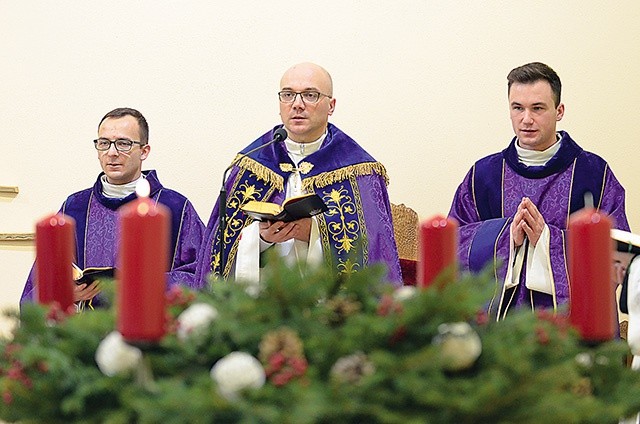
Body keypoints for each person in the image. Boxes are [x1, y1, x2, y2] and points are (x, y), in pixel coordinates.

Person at [448, 62, 629, 319]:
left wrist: (547, 240)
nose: (526, 119)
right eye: (517, 108)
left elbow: (619, 257)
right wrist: (504, 237)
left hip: (573, 330)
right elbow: (452, 247)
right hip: (498, 331)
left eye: (538, 108)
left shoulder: (595, 174)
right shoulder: (483, 175)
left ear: (559, 111)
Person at [196, 62, 401, 286]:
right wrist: (262, 239)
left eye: (310, 95)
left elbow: (374, 251)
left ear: (331, 106)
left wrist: (315, 232)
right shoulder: (251, 164)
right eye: (288, 95)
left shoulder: (359, 170)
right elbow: (218, 252)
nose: (297, 104)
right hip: (262, 305)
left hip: (328, 308)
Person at [21, 107, 205, 308]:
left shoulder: (175, 207)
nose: (112, 152)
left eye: (123, 143)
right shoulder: (75, 208)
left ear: (144, 151)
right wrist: (63, 292)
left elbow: (202, 276)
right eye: (104, 143)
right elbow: (41, 282)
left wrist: (137, 285)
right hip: (86, 334)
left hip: (154, 332)